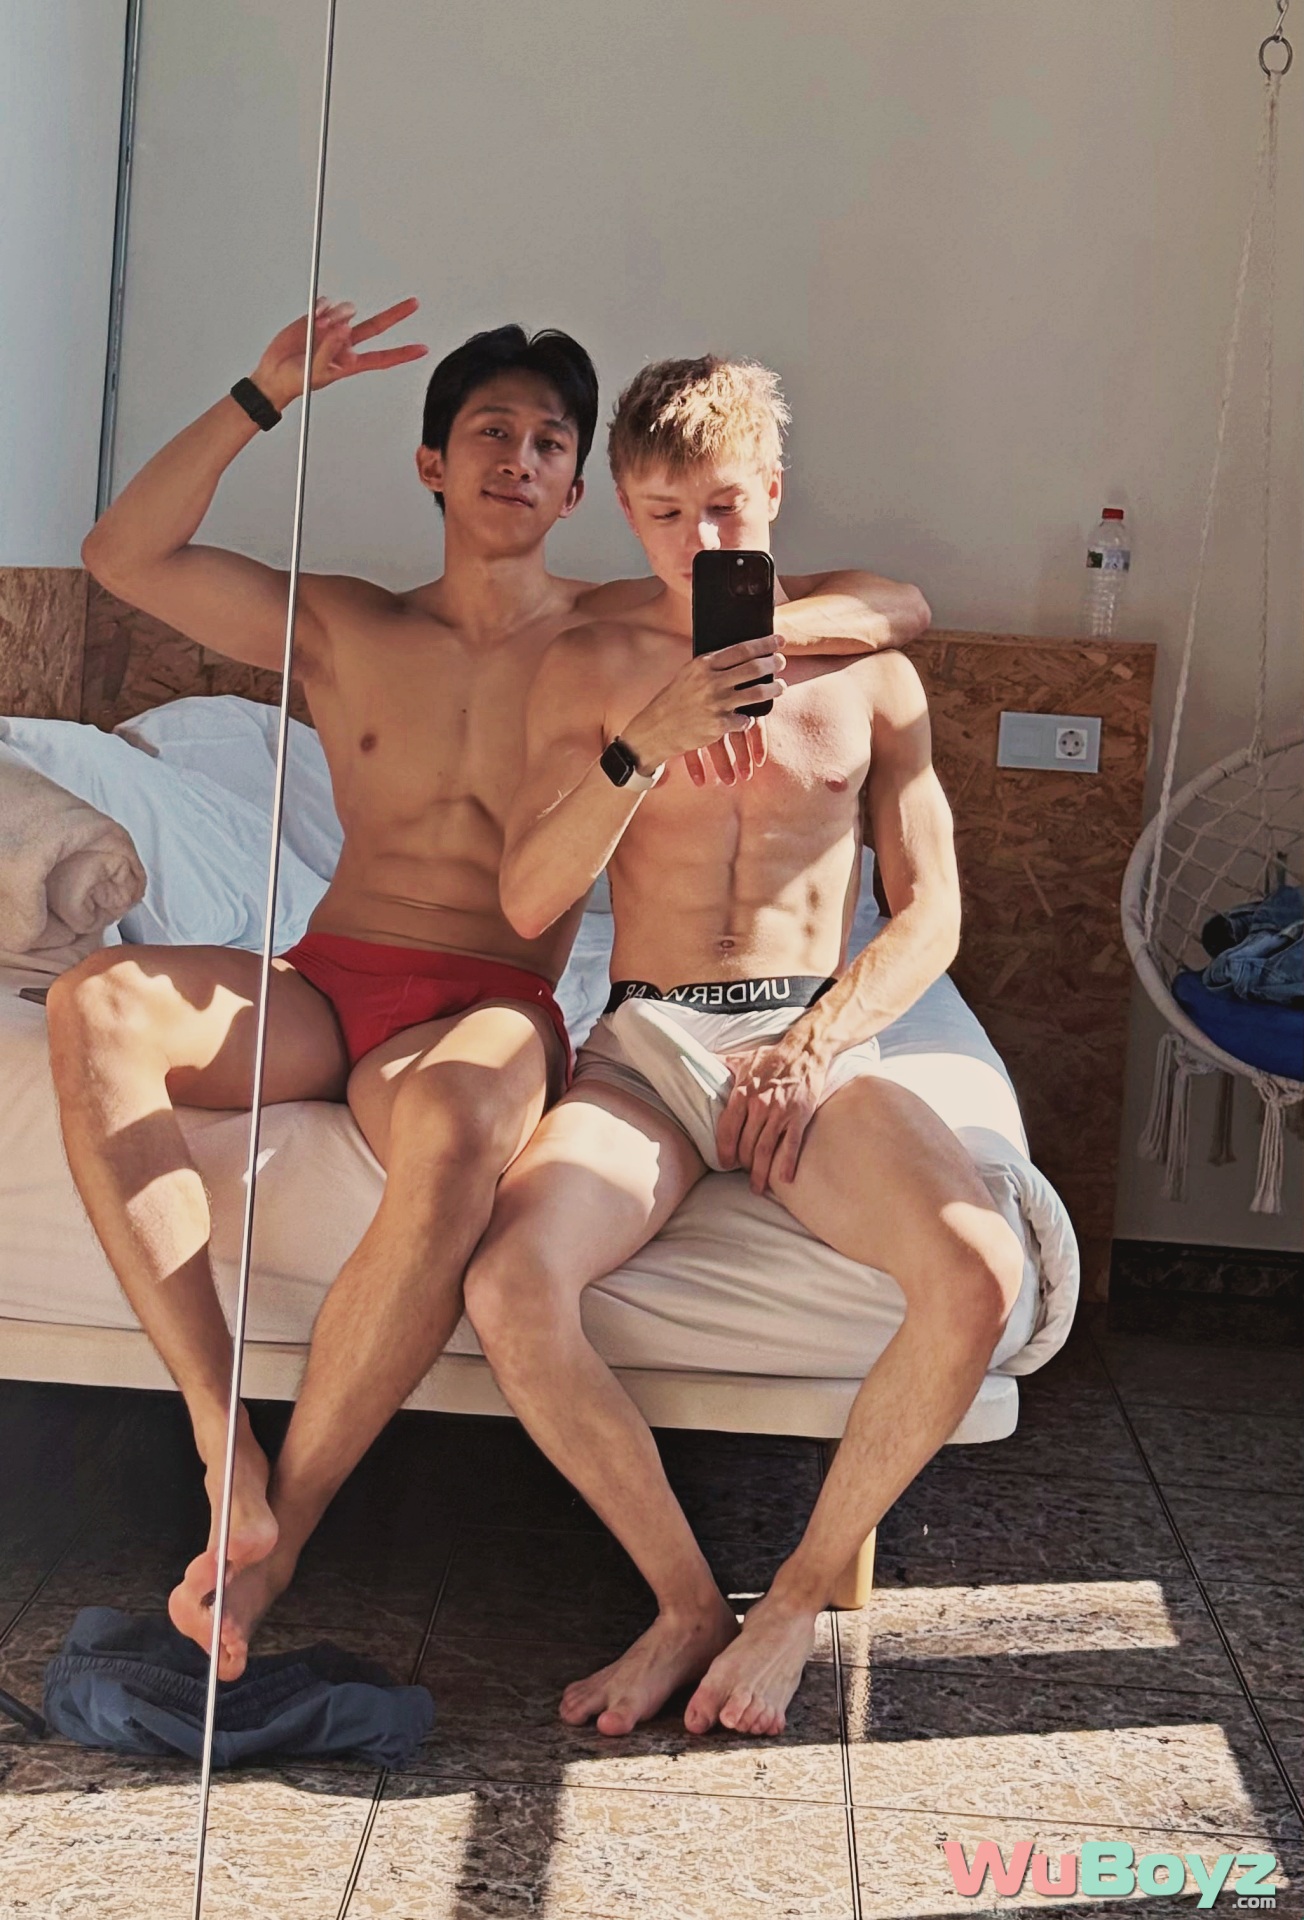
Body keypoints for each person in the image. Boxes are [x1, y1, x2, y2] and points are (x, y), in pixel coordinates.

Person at [48, 304, 929, 1680]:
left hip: (493, 996)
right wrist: (261, 394)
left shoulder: (626, 628)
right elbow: (120, 557)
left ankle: (280, 1540)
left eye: (549, 442)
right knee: (92, 1001)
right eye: (490, 433)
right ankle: (223, 1439)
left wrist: (752, 635)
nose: (519, 458)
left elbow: (899, 607)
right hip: (330, 975)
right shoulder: (343, 625)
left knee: (459, 1131)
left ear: (580, 491)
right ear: (432, 465)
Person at [463, 354, 1028, 1740]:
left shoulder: (873, 679)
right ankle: (683, 1605)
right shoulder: (588, 665)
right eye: (665, 515)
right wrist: (641, 747)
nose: (697, 540)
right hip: (649, 1036)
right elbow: (529, 901)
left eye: (724, 507)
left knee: (980, 1269)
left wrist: (822, 1041)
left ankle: (793, 1598)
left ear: (772, 490)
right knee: (512, 1285)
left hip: (804, 1034)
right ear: (625, 511)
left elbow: (934, 912)